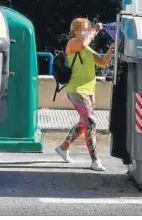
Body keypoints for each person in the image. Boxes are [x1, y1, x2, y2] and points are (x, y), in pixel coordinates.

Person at [55, 17, 115, 171]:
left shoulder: (87, 48)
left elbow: (102, 62)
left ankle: (63, 148)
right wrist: (95, 29)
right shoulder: (73, 43)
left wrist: (111, 50)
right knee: (90, 122)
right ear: (74, 31)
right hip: (76, 89)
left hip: (89, 90)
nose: (84, 30)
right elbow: (82, 42)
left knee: (84, 123)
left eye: (86, 28)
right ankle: (95, 160)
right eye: (81, 28)